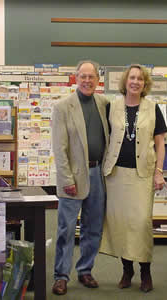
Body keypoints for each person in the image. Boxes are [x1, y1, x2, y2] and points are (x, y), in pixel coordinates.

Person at [100, 64, 167, 293]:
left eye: (140, 78)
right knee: (120, 224)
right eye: (132, 78)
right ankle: (127, 270)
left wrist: (159, 172)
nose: (135, 82)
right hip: (116, 175)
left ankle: (145, 271)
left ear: (145, 83)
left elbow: (160, 143)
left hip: (143, 175)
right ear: (125, 81)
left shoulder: (152, 108)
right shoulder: (112, 106)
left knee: (141, 224)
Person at [51, 60, 109, 295]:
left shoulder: (104, 104)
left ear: (97, 79)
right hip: (72, 178)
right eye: (83, 76)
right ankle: (61, 276)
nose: (87, 80)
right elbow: (59, 147)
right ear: (76, 78)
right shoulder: (63, 107)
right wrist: (66, 180)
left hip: (98, 175)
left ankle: (85, 270)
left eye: (91, 77)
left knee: (93, 227)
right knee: (66, 229)